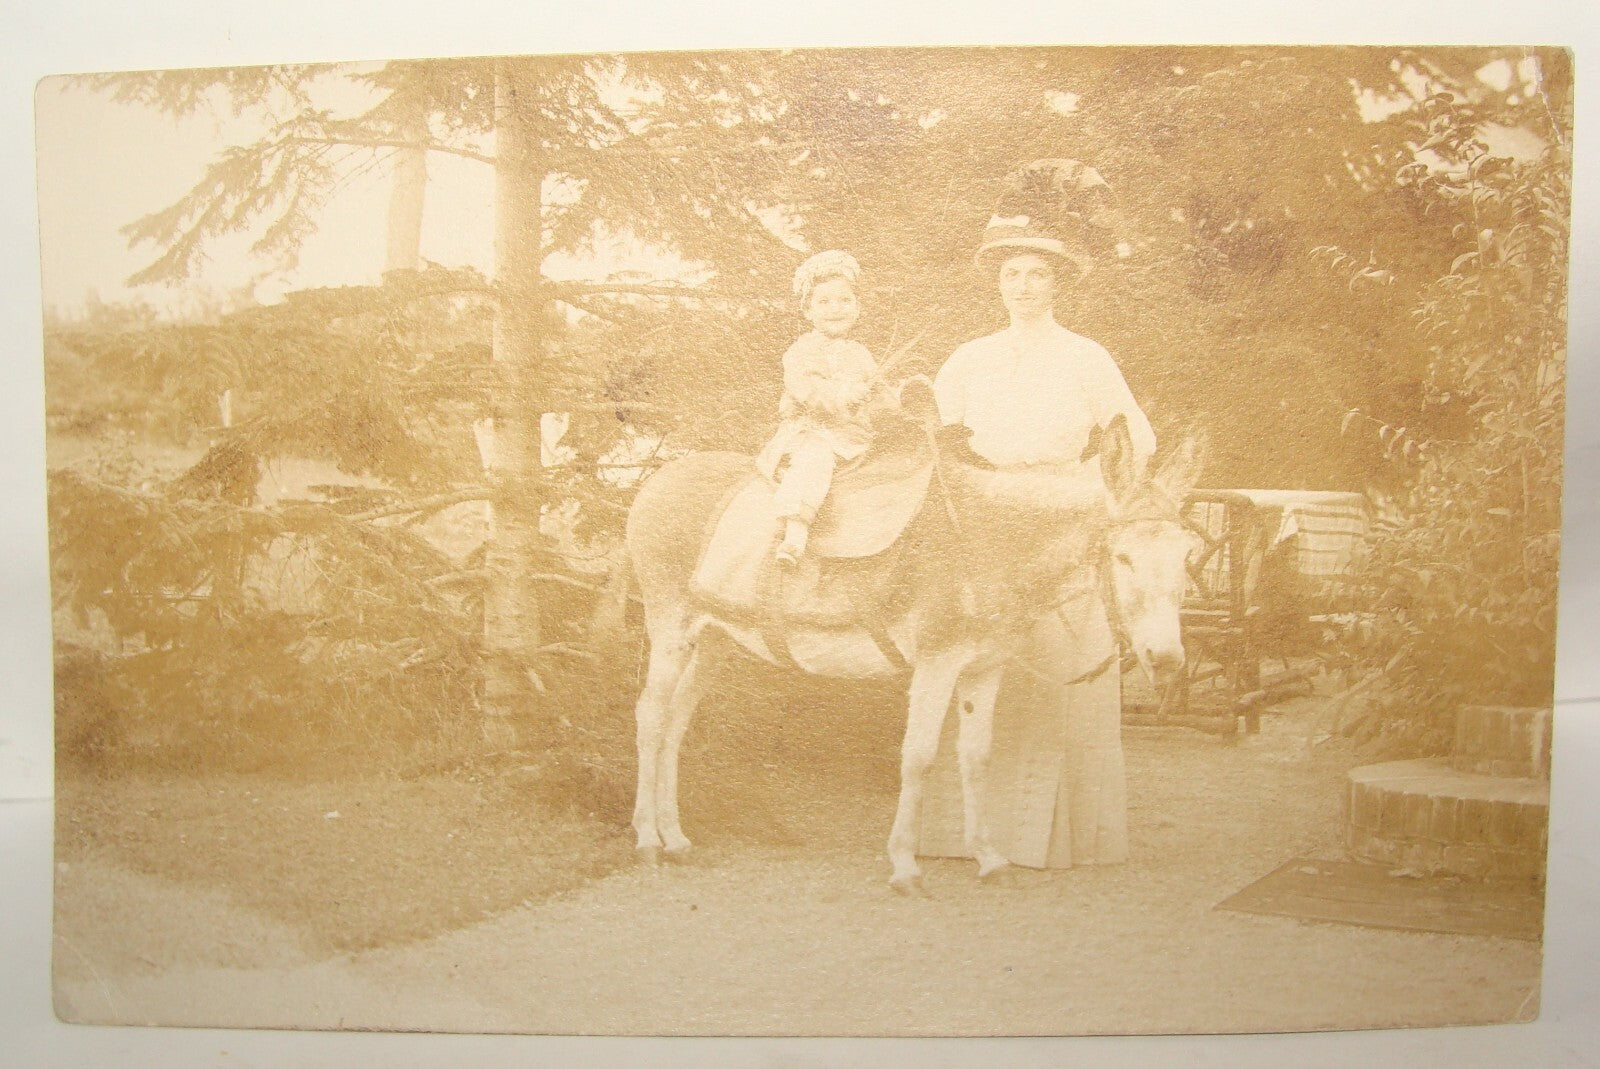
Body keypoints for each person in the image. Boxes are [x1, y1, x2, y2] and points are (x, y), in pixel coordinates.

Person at [923, 159, 1155, 868]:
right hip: (989, 529)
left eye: (1037, 275)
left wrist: (1089, 493)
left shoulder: (1086, 357)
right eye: (1012, 275)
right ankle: (966, 834)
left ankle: (1063, 838)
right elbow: (935, 441)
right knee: (980, 666)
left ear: (1059, 283)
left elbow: (1135, 439)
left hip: (1063, 521)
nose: (1024, 287)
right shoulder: (969, 357)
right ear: (997, 283)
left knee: (1061, 666)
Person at [756, 250, 880, 565]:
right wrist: (842, 396)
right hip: (811, 432)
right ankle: (795, 530)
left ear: (857, 307)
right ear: (808, 311)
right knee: (816, 455)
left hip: (855, 438)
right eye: (824, 302)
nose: (835, 309)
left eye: (844, 300)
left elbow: (879, 391)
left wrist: (900, 397)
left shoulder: (861, 354)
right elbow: (808, 389)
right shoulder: (801, 352)